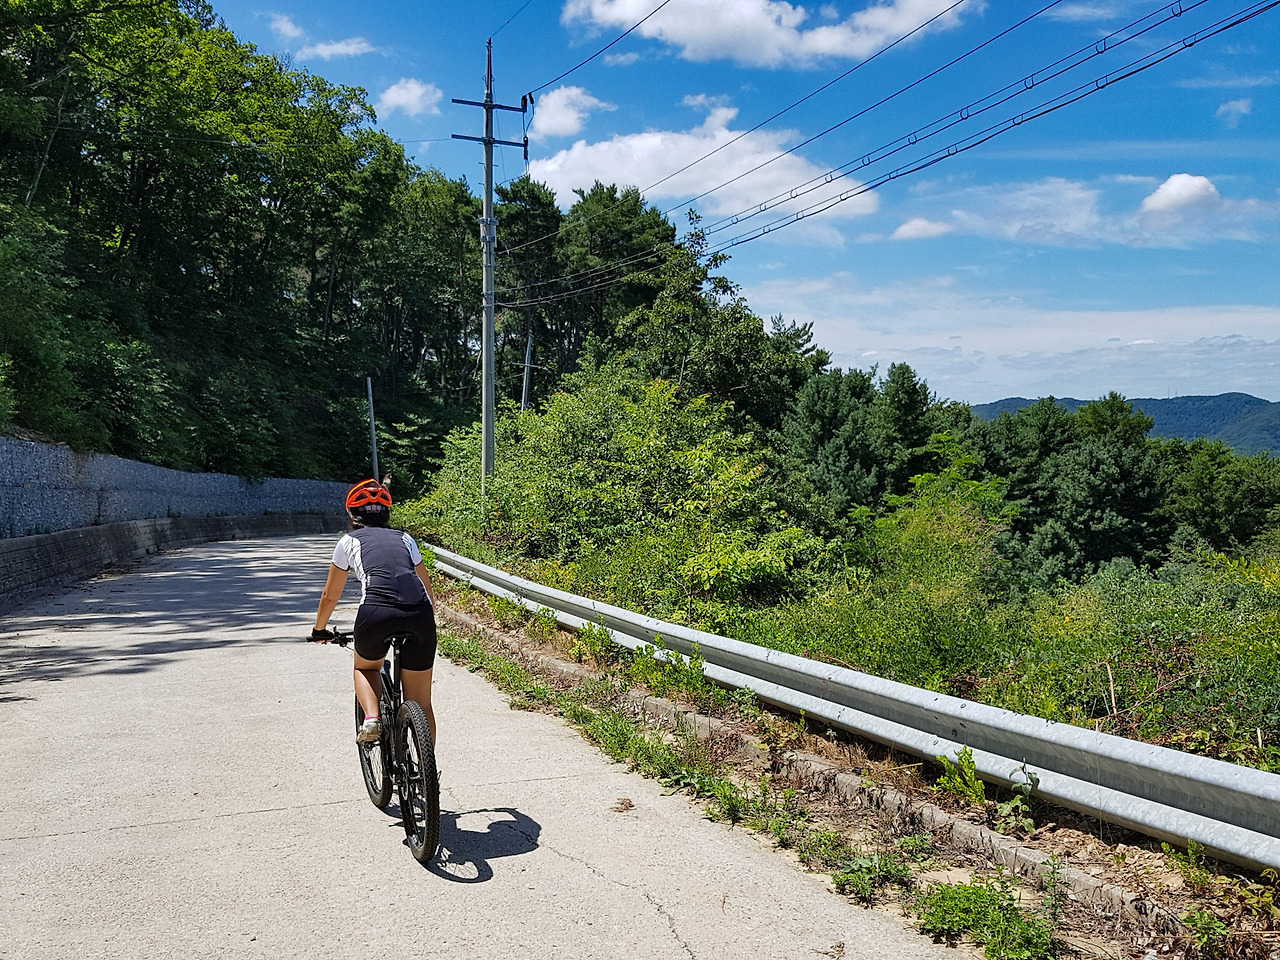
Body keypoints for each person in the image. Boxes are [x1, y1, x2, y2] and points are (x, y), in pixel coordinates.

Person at [311, 479, 438, 746]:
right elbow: (426, 587)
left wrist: (319, 630)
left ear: (351, 514)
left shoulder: (347, 541)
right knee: (422, 702)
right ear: (387, 514)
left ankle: (371, 718)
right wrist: (427, 620)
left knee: (365, 667)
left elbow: (330, 595)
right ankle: (426, 766)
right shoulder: (405, 539)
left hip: (376, 613)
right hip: (419, 614)